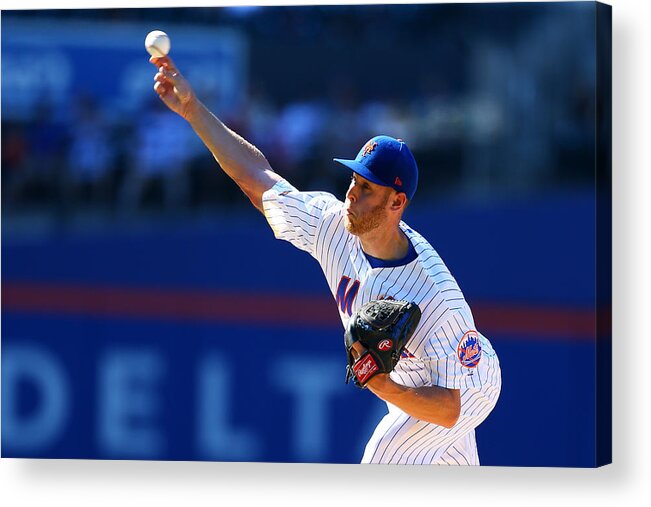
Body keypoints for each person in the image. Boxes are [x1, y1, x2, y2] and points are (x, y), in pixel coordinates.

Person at [150, 55, 501, 465]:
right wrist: (193, 111)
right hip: (414, 386)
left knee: (383, 458)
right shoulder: (332, 225)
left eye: (367, 188)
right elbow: (256, 179)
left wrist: (383, 386)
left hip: (464, 389)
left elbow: (451, 408)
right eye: (354, 179)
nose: (352, 193)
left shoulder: (434, 295)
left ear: (397, 202)